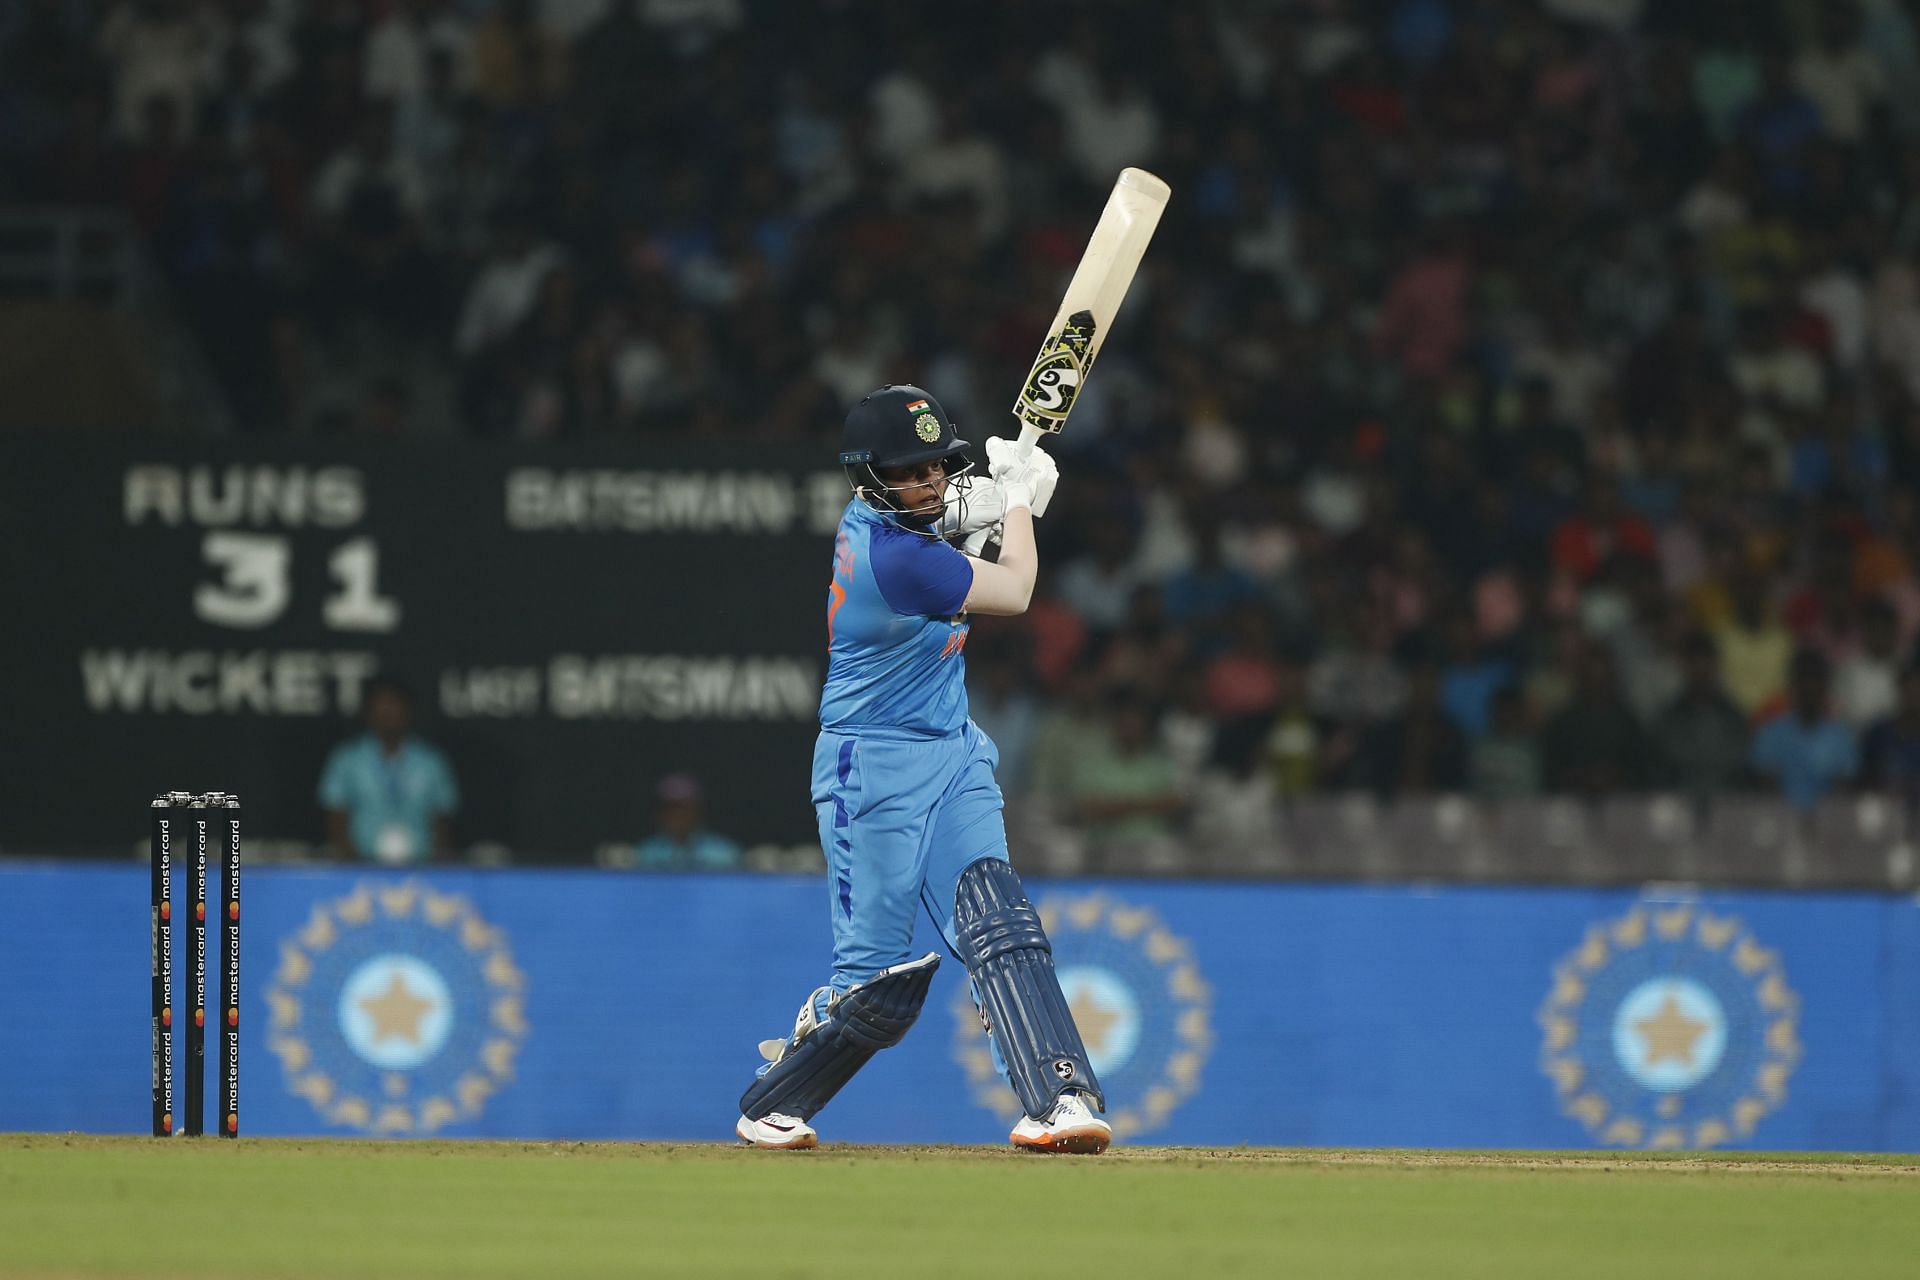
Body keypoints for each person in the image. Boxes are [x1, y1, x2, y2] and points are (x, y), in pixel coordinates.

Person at [734, 384, 1113, 1155]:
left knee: (997, 918)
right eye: (910, 472)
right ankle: (773, 1100)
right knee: (877, 990)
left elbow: (952, 505)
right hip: (868, 769)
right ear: (869, 479)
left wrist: (1007, 477)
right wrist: (1018, 506)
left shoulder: (906, 512)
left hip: (953, 753)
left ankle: (1061, 1097)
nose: (931, 482)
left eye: (937, 465)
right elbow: (1014, 588)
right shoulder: (894, 557)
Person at [318, 677, 459, 863]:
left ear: (409, 712)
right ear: (368, 713)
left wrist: (435, 865)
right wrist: (350, 865)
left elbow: (442, 817)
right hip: (360, 867)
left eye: (394, 707)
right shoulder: (347, 759)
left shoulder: (431, 761)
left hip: (421, 867)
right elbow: (335, 814)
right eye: (381, 707)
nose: (388, 714)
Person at [627, 773, 743, 870]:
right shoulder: (645, 854)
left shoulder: (726, 853)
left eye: (685, 808)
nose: (678, 815)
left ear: (698, 810)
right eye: (671, 808)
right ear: (660, 813)